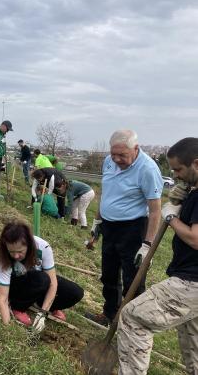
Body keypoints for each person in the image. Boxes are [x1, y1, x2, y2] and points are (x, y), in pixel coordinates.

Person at [117, 137, 198, 375]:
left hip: (191, 282)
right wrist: (184, 200)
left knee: (134, 317)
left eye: (178, 169)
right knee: (192, 340)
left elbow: (195, 238)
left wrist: (171, 218)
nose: (175, 174)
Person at [85, 130, 163, 327]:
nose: (117, 159)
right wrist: (97, 223)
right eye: (114, 154)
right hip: (110, 227)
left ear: (135, 149)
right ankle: (110, 314)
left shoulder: (148, 169)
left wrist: (147, 245)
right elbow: (106, 192)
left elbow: (155, 210)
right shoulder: (109, 162)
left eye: (122, 155)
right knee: (108, 274)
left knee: (133, 280)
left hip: (133, 229)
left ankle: (131, 325)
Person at [0, 220, 84, 330]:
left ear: (29, 244)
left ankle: (43, 304)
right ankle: (18, 307)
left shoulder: (43, 247)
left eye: (20, 251)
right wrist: (7, 327)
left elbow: (53, 283)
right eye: (12, 252)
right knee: (42, 279)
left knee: (75, 292)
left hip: (37, 281)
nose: (16, 256)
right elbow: (2, 298)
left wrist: (43, 313)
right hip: (17, 285)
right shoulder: (3, 258)